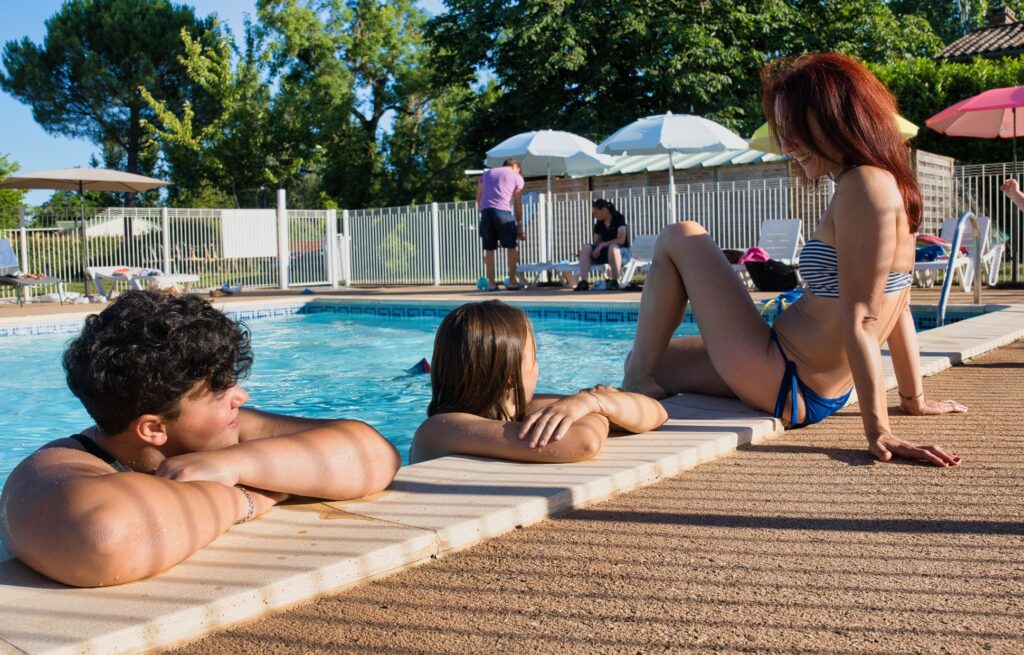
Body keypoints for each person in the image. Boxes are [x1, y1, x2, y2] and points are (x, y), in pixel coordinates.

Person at [621, 53, 966, 467]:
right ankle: (640, 379)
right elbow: (900, 306)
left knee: (681, 235)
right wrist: (913, 400)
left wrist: (880, 431)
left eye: (797, 131)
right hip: (809, 381)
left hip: (786, 378)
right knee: (660, 360)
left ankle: (635, 385)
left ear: (837, 119)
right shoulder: (891, 185)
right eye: (783, 132)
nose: (786, 146)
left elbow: (864, 318)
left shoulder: (862, 185)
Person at [0, 291, 401, 587]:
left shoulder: (218, 434)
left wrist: (237, 464)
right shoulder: (54, 469)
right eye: (220, 390)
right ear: (154, 428)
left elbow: (374, 454)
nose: (240, 397)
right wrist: (245, 498)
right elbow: (103, 539)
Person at [410, 300, 667, 464]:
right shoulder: (440, 429)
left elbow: (656, 413)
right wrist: (599, 409)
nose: (538, 366)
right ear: (511, 376)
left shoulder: (527, 408)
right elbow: (583, 442)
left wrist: (590, 401)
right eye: (535, 357)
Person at [477, 158, 526, 291]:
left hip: (486, 213)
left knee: (489, 249)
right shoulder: (516, 176)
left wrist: (484, 215)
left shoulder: (486, 174)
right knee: (511, 247)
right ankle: (512, 282)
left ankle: (491, 284)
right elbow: (517, 203)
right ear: (515, 166)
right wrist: (520, 223)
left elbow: (479, 198)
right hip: (503, 212)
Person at [574, 198, 631, 291]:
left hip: (621, 252)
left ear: (604, 210)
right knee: (586, 247)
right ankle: (583, 282)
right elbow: (596, 243)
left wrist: (603, 244)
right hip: (606, 253)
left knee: (613, 248)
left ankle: (614, 281)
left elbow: (621, 240)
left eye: (596, 213)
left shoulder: (618, 218)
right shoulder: (599, 224)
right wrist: (586, 253)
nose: (594, 216)